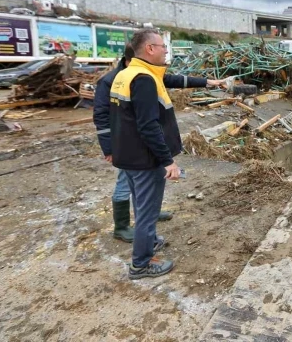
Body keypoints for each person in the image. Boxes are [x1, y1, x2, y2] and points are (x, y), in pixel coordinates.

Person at [95, 43, 226, 244]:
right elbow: (102, 117)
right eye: (161, 47)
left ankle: (149, 215)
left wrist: (208, 82)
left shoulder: (143, 74)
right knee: (126, 183)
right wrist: (109, 148)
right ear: (135, 58)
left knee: (146, 187)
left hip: (143, 145)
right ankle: (122, 227)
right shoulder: (114, 80)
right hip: (128, 145)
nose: (164, 51)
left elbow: (172, 79)